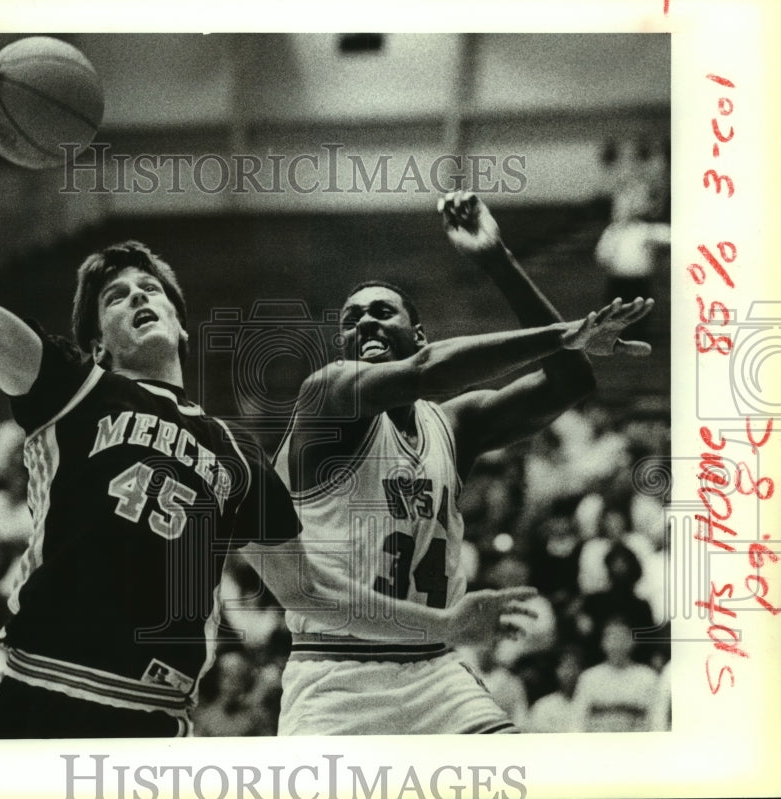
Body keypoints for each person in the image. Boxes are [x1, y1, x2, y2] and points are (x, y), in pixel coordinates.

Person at [0, 52, 536, 738]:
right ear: (99, 341)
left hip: (158, 721)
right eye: (116, 295)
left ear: (181, 322)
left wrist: (445, 623)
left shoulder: (237, 456)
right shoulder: (77, 389)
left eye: (150, 288)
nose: (139, 295)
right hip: (43, 692)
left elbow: (308, 593)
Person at [272, 190, 655, 735]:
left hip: (435, 671)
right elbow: (429, 369)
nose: (365, 323)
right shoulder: (326, 397)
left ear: (417, 331)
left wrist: (495, 258)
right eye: (352, 318)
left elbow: (570, 379)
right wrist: (561, 333)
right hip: (336, 678)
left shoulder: (451, 426)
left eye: (383, 311)